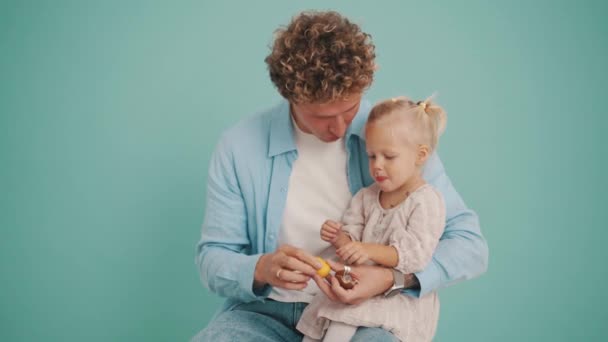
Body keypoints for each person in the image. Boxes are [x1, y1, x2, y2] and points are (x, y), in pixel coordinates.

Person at [193, 10, 488, 342]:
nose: (340, 128)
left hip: (365, 316)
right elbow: (213, 257)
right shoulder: (239, 147)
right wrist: (261, 268)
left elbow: (469, 245)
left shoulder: (396, 139)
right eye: (321, 117)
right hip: (264, 313)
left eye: (349, 109)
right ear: (290, 96)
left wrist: (392, 278)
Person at [298, 97, 447, 341]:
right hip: (354, 287)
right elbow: (351, 240)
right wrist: (340, 238)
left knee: (342, 327)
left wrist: (366, 250)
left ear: (420, 155)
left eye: (388, 157)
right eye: (371, 156)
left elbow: (412, 257)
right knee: (321, 330)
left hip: (392, 299)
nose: (377, 166)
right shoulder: (366, 197)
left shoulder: (426, 201)